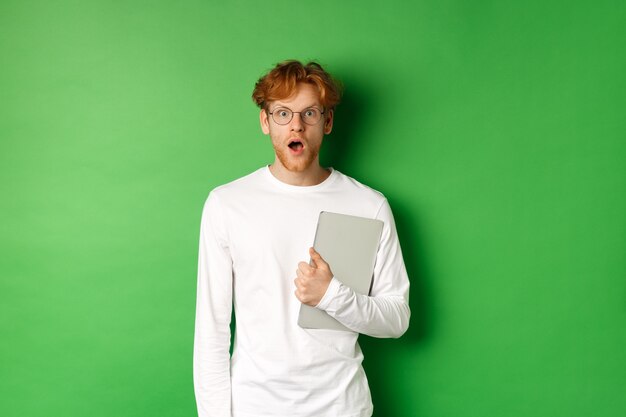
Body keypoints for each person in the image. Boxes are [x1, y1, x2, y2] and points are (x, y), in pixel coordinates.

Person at [193, 60, 410, 417]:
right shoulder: (227, 204)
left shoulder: (368, 205)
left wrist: (332, 296)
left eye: (309, 113)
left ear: (327, 122)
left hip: (342, 407)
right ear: (265, 122)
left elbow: (397, 317)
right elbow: (211, 331)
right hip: (254, 407)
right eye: (282, 113)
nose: (296, 124)